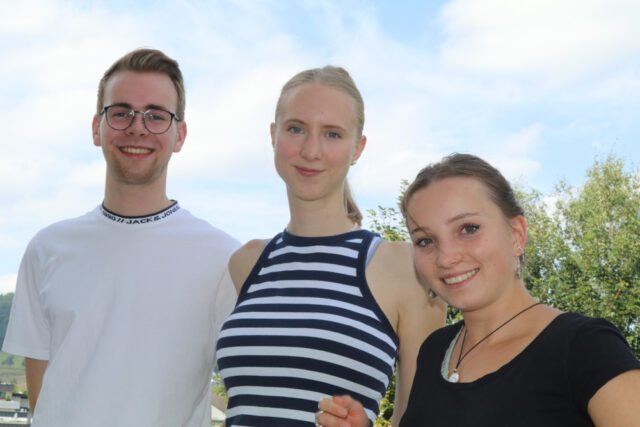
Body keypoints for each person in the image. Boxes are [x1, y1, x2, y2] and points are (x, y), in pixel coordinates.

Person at [2, 48, 240, 427]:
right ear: (96, 128)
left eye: (156, 115)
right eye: (121, 112)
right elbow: (42, 400)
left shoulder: (224, 259)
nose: (138, 127)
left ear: (180, 135)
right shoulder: (47, 248)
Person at [318, 153, 640, 426]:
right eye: (425, 241)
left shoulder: (585, 347)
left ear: (516, 233)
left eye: (468, 229)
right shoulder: (434, 352)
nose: (446, 257)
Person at [214, 66, 446, 426]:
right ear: (273, 135)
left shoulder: (405, 269)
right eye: (296, 129)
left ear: (359, 148)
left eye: (333, 134)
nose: (311, 150)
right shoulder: (246, 262)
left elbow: (425, 418)